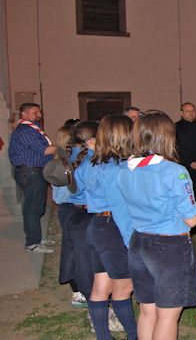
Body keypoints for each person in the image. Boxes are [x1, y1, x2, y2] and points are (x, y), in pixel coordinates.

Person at [116, 111, 196, 340]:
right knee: (167, 316)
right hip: (169, 249)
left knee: (147, 311)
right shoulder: (174, 172)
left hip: (139, 244)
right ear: (166, 137)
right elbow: (191, 219)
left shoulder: (124, 169)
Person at [85, 115, 137, 340]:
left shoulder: (95, 161)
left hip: (98, 225)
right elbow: (121, 210)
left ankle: (103, 337)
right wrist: (132, 242)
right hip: (114, 227)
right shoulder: (119, 168)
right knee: (124, 287)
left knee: (101, 286)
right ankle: (136, 335)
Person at [9, 103, 57, 253]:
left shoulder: (32, 129)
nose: (39, 115)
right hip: (29, 172)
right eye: (35, 112)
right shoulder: (25, 130)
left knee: (36, 207)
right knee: (32, 207)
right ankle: (32, 243)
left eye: (39, 112)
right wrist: (62, 146)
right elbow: (44, 150)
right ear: (24, 114)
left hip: (33, 172)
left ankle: (36, 238)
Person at [66, 121, 100, 320]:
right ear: (91, 140)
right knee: (90, 263)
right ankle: (93, 305)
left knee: (84, 260)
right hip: (87, 214)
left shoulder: (74, 156)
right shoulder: (91, 162)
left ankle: (88, 297)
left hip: (75, 212)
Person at [50, 119, 86, 307]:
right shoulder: (66, 164)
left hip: (67, 209)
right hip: (71, 209)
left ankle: (79, 288)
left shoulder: (62, 161)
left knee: (73, 249)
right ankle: (78, 290)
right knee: (75, 251)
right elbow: (68, 193)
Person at [175, 102, 196, 201]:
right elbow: (175, 148)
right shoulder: (175, 128)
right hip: (185, 167)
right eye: (188, 111)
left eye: (193, 110)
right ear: (181, 113)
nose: (191, 113)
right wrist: (189, 162)